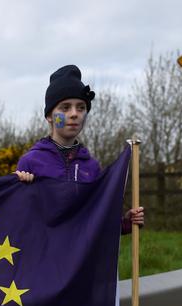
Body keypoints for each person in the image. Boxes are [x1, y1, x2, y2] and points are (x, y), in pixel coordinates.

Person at [16, 64, 144, 231]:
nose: (74, 114)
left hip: (80, 258)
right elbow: (19, 221)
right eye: (65, 107)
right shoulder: (30, 163)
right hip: (44, 255)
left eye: (81, 107)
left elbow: (95, 224)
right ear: (49, 116)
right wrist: (18, 185)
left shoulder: (91, 168)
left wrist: (126, 223)